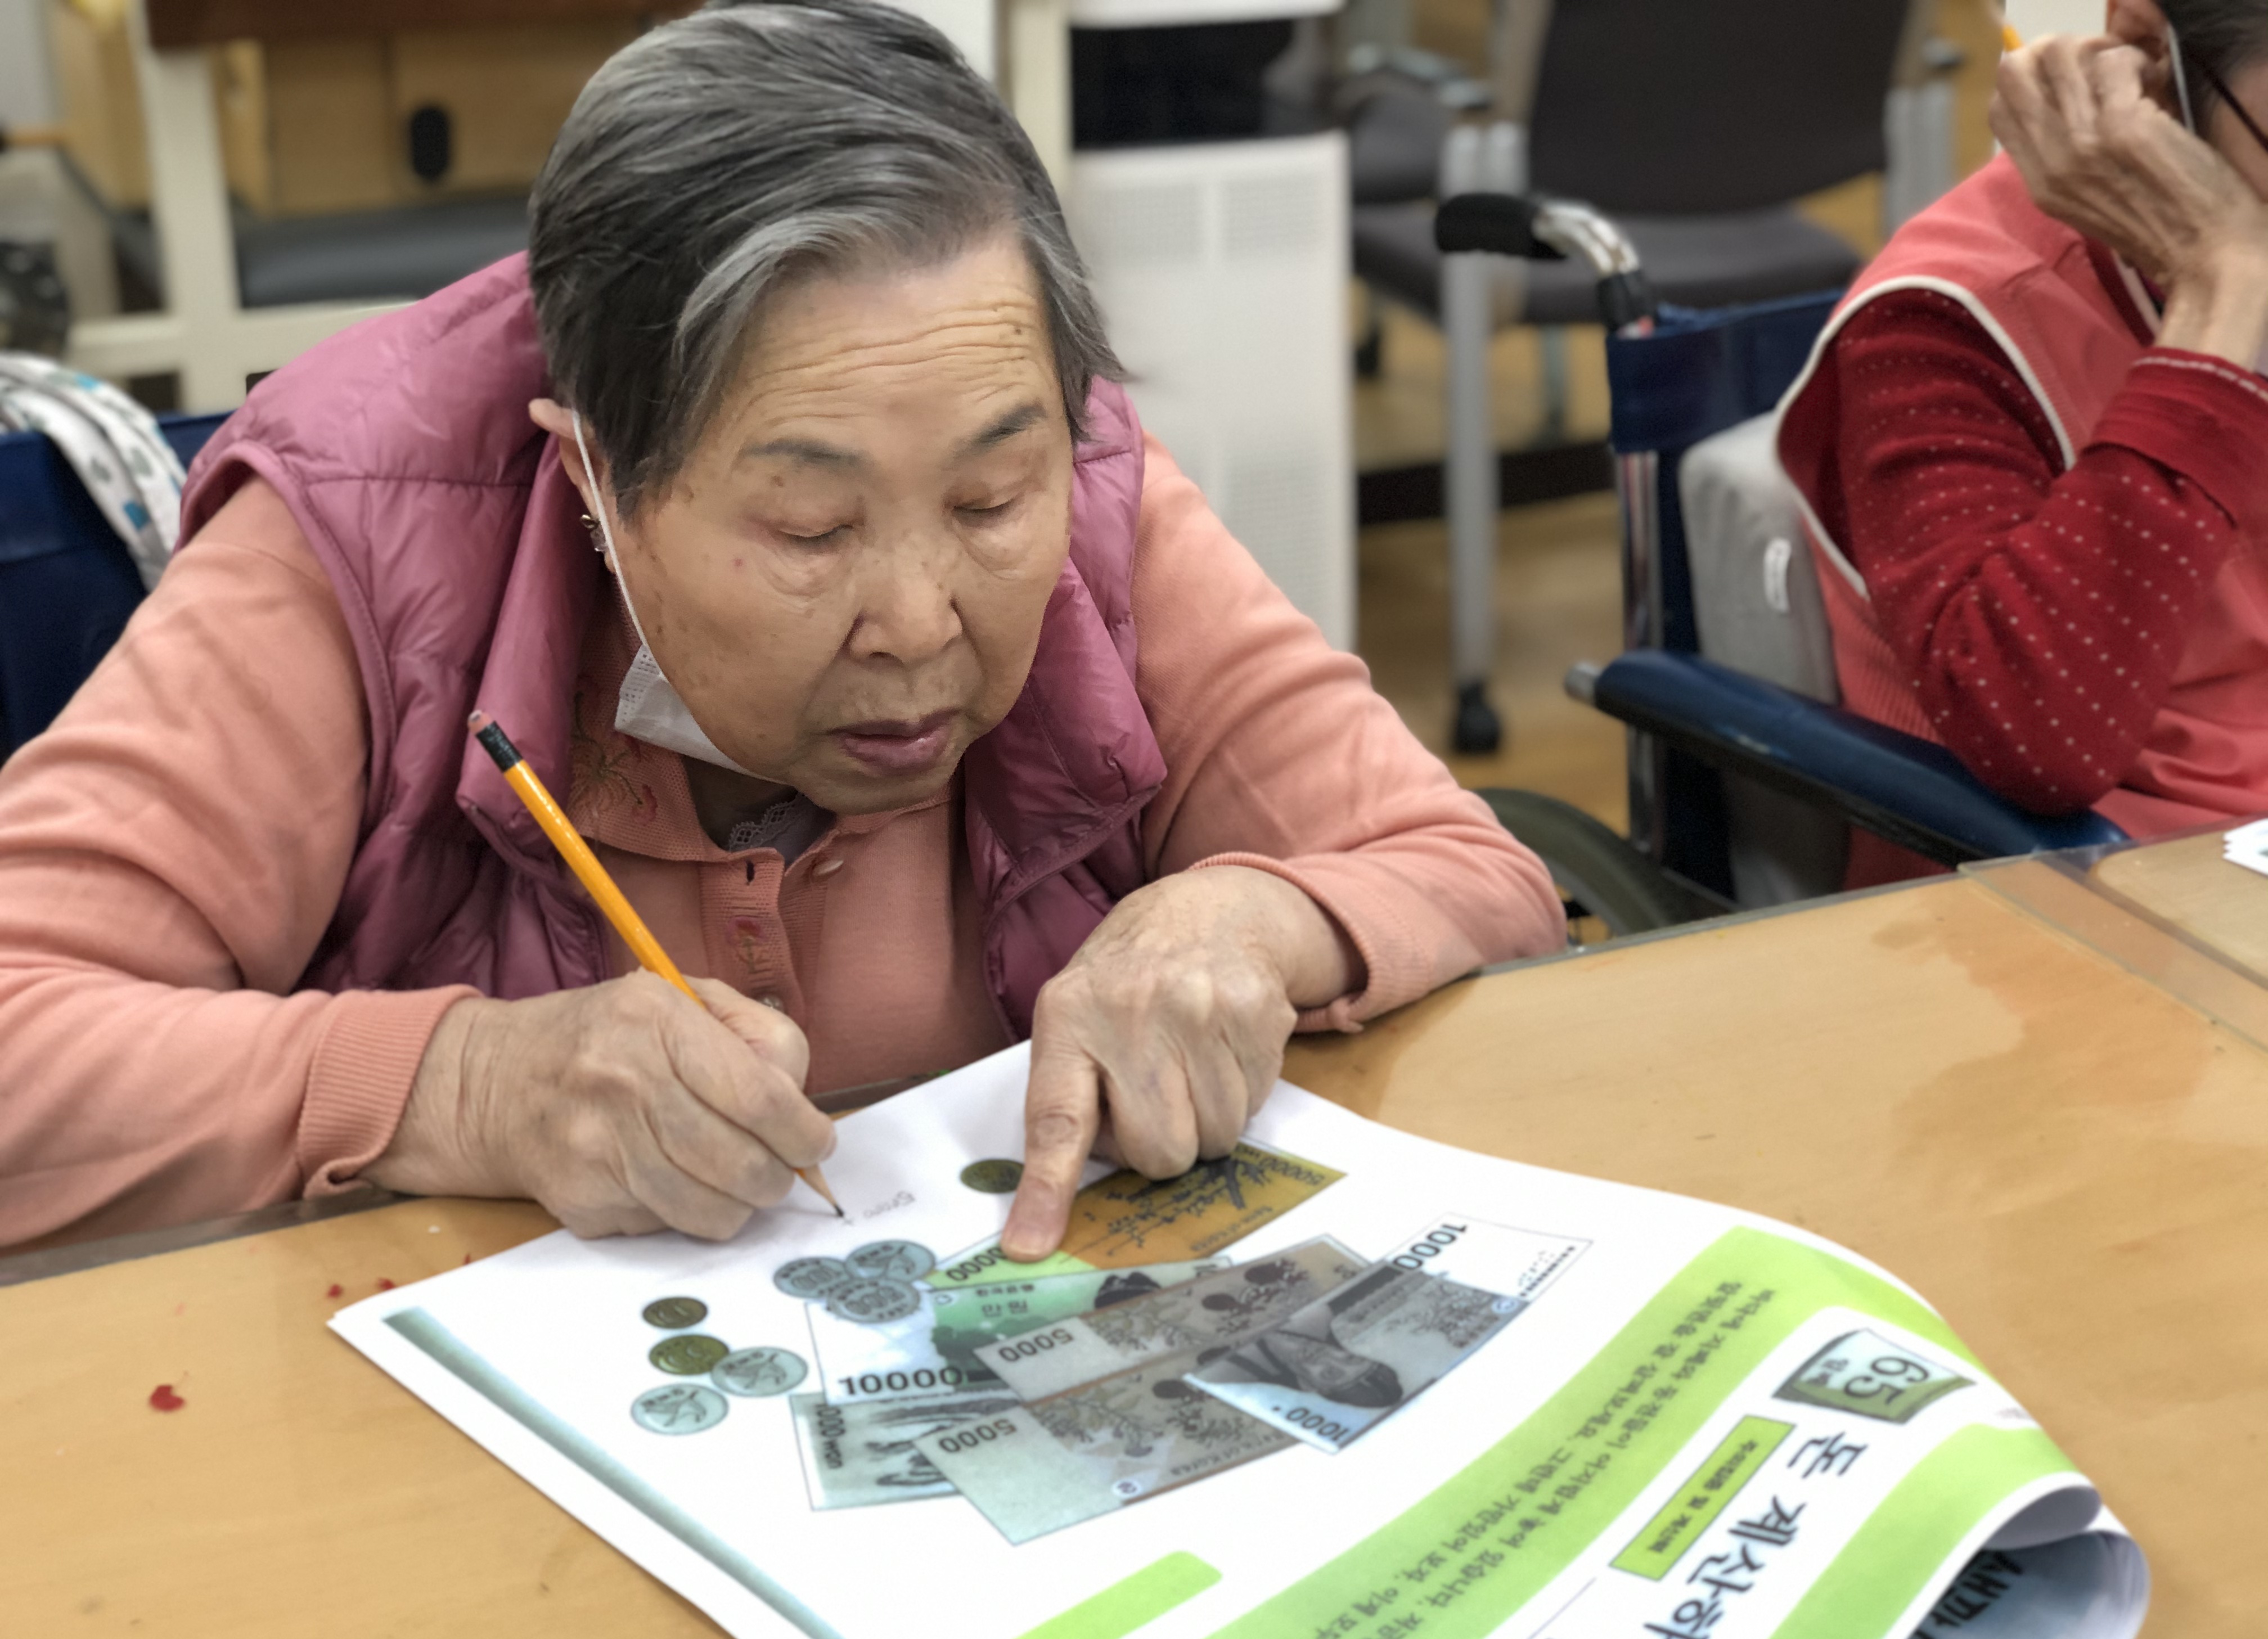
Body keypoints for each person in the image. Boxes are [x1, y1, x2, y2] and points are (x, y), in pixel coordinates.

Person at [0, 0, 1559, 1254]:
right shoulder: (361, 532)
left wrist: (1252, 923)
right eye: (812, 527)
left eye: (988, 499)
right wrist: (463, 1087)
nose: (920, 623)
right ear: (593, 478)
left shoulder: (1084, 482)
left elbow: (1473, 872)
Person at [1778, 0, 2268, 885]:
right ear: (2152, 59)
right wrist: (2222, 291)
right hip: (2108, 888)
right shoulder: (1943, 318)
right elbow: (2045, 743)